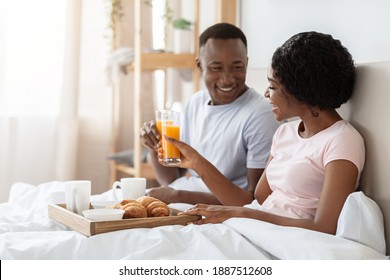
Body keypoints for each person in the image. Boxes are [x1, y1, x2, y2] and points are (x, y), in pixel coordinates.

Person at [163, 31, 365, 235]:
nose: (267, 94)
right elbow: (257, 201)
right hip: (256, 227)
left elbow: (324, 227)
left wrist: (241, 214)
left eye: (272, 86)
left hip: (287, 238)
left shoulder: (342, 140)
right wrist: (197, 162)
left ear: (301, 90)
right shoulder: (285, 133)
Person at [139, 23, 279, 205]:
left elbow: (255, 200)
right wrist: (154, 143)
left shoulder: (260, 114)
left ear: (246, 63)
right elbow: (173, 178)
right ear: (199, 65)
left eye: (237, 67)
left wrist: (179, 197)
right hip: (188, 196)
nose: (227, 78)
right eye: (216, 68)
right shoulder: (195, 103)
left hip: (224, 206)